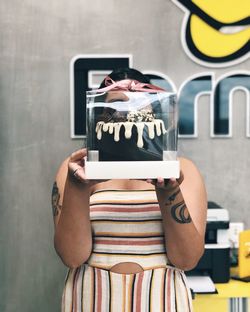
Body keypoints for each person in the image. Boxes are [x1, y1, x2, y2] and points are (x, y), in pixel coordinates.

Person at [52, 68, 207, 312]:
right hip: (91, 297)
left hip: (162, 299)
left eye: (138, 103)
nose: (127, 113)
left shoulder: (181, 170)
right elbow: (72, 256)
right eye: (116, 104)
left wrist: (169, 192)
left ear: (153, 112)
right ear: (100, 115)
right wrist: (78, 187)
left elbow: (187, 259)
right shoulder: (77, 169)